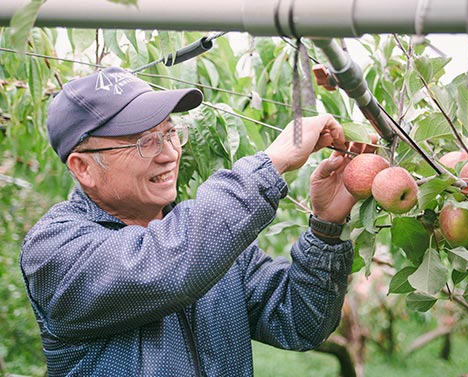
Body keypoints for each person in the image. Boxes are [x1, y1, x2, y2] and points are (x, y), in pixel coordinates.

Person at [20, 67, 365, 376]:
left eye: (170, 133)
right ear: (83, 167)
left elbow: (299, 322)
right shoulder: (54, 249)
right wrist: (270, 164)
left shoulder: (209, 242)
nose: (169, 154)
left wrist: (326, 228)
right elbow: (163, 266)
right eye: (144, 142)